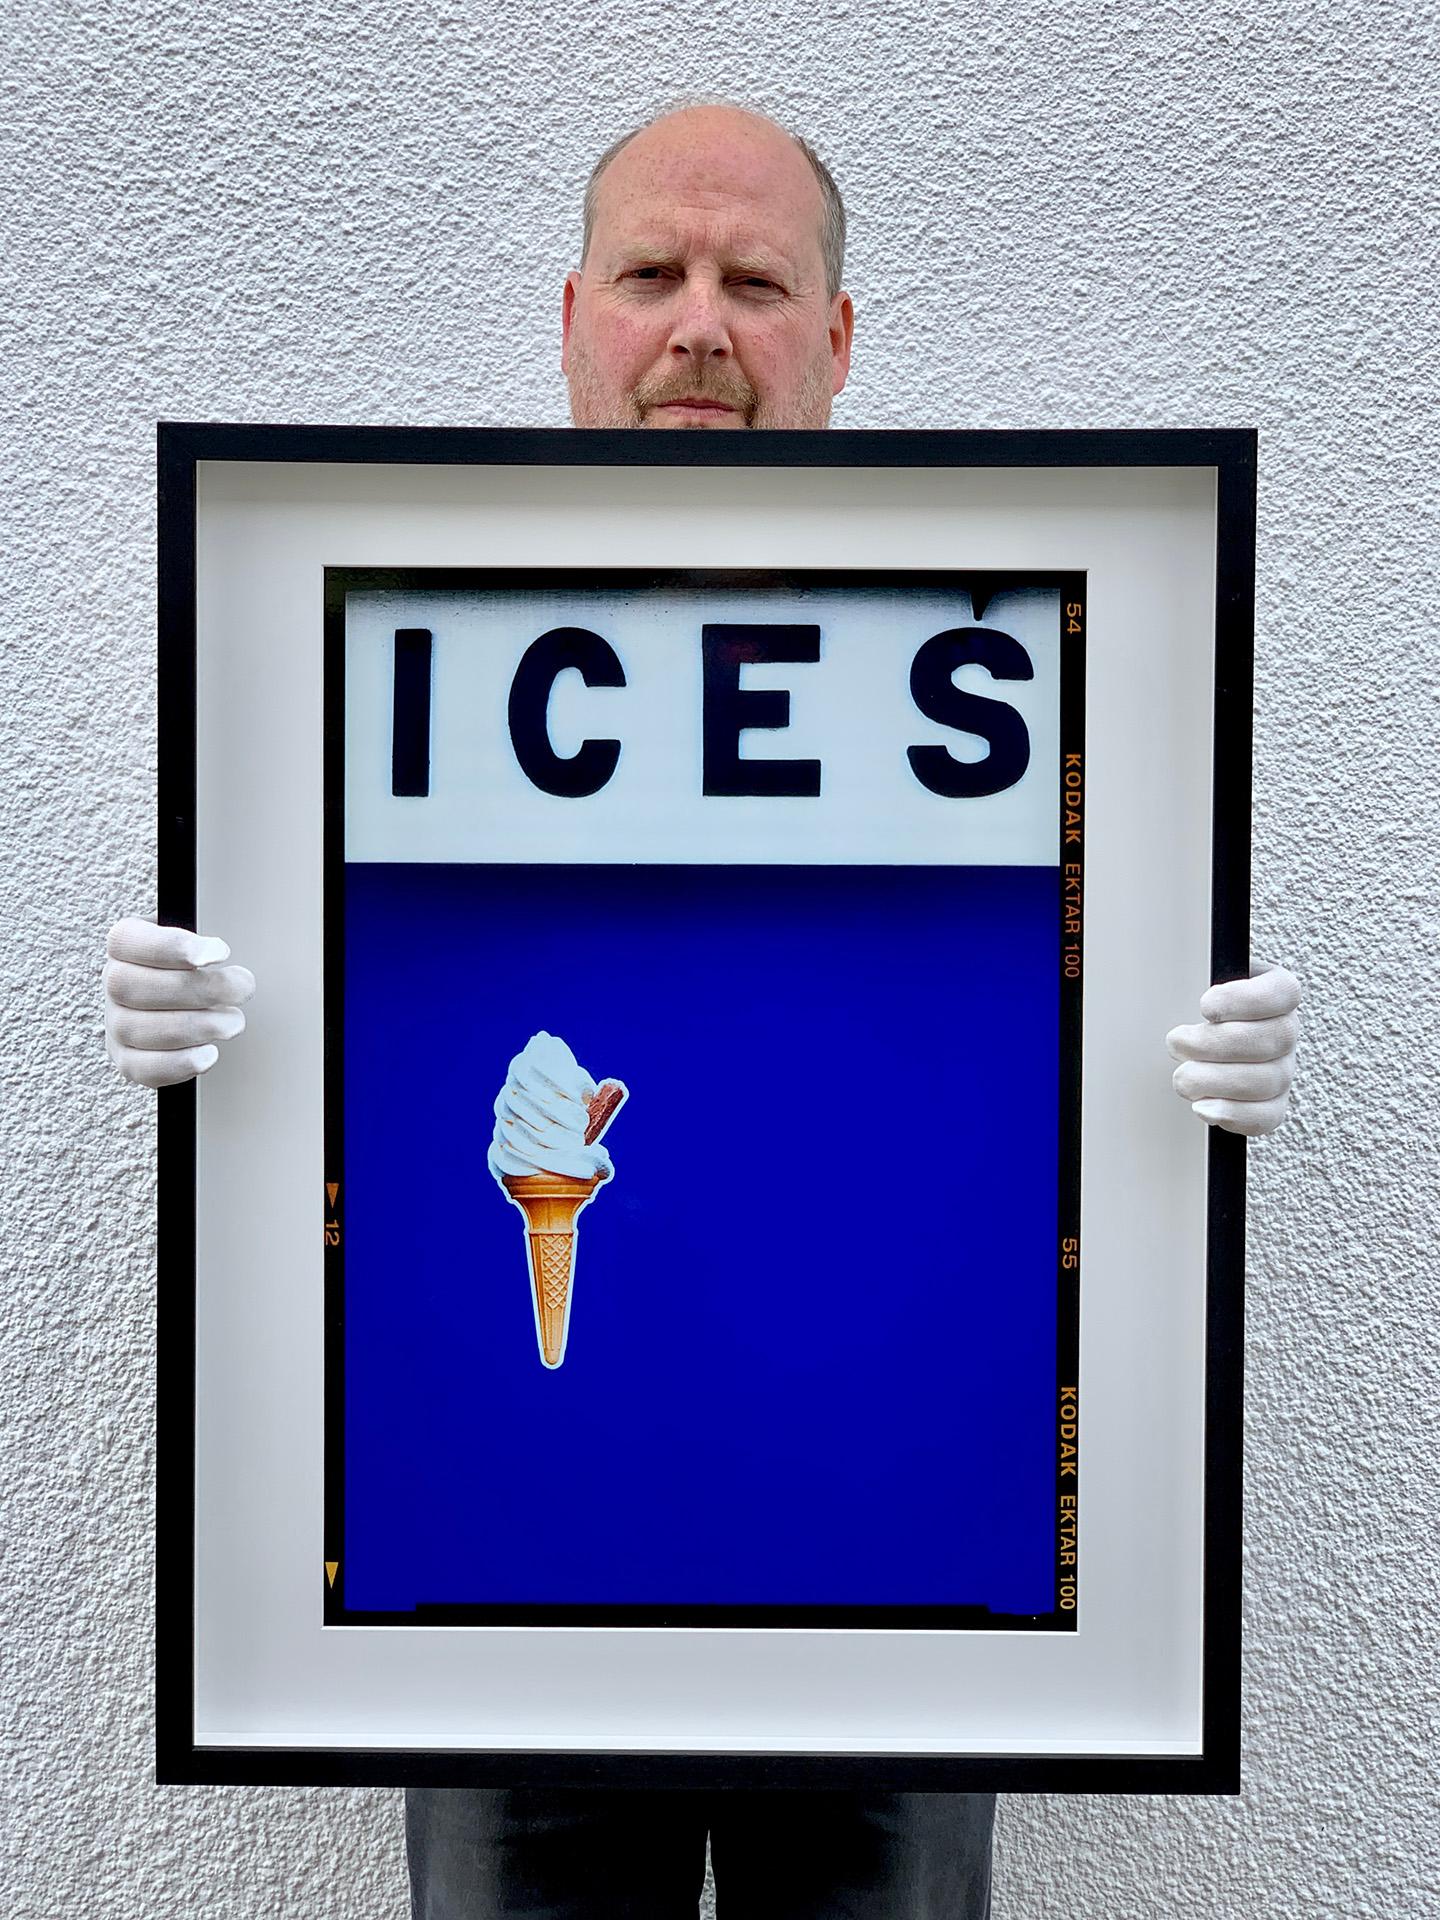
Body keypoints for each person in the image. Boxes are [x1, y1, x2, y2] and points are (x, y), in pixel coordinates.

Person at [102, 102, 1302, 1920]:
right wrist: (233, 1049)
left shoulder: (1026, 634)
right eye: (653, 274)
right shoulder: (370, 627)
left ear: (838, 337)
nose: (699, 327)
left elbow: (1012, 1063)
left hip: (896, 1558)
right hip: (496, 1567)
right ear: (572, 309)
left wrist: (1164, 1064)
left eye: (756, 281)